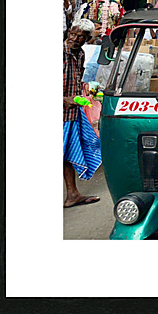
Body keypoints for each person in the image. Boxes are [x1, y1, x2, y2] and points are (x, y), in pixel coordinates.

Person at [63, 19, 100, 208]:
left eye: (81, 37)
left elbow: (76, 79)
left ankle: (72, 194)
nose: (75, 39)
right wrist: (64, 99)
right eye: (73, 34)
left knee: (67, 153)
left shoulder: (80, 54)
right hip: (62, 110)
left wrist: (85, 91)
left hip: (70, 113)